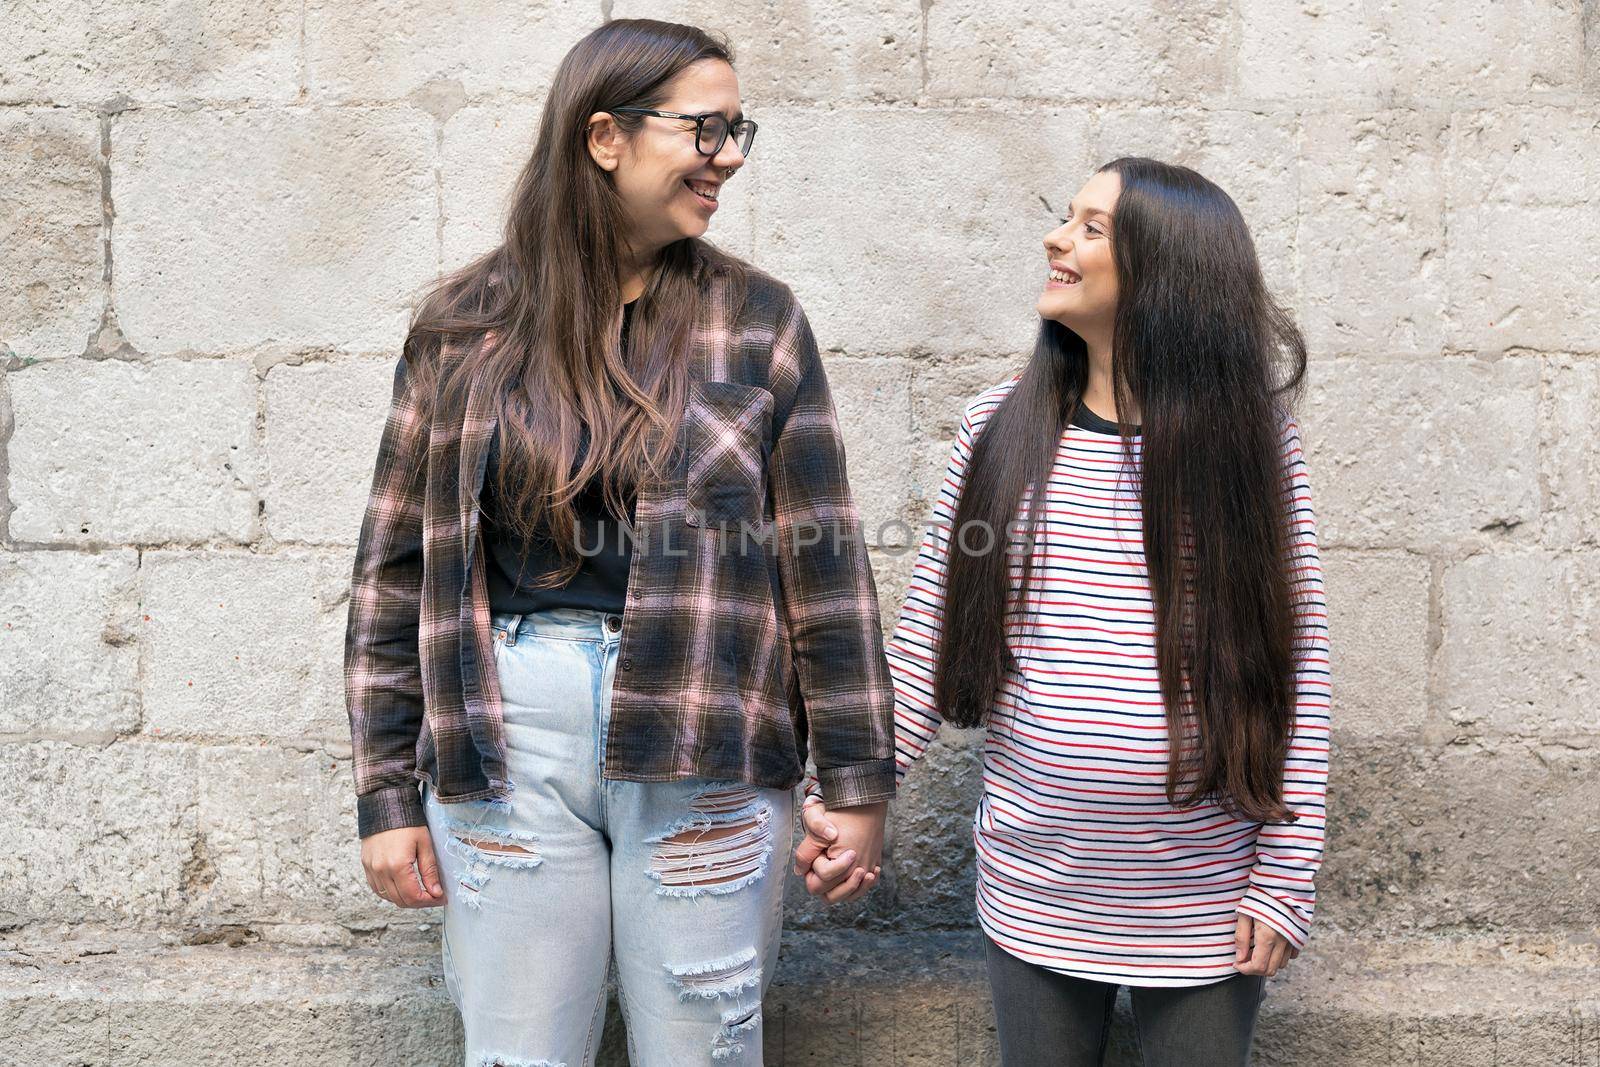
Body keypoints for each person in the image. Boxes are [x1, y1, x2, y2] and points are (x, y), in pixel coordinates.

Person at [344, 20, 891, 1066]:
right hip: (504, 741)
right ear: (604, 136)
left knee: (705, 1048)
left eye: (740, 131)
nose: (727, 155)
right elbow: (391, 573)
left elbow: (823, 570)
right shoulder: (465, 325)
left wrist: (857, 784)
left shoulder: (758, 321)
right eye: (706, 129)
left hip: (708, 740)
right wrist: (383, 794)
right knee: (515, 1052)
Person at [797, 157, 1331, 1067]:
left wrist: (1284, 874)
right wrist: (849, 794)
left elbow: (1299, 660)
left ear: (1169, 272)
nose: (1057, 238)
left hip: (1200, 899)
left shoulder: (1251, 445)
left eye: (1092, 228)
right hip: (1036, 886)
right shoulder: (997, 432)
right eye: (1065, 219)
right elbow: (927, 644)